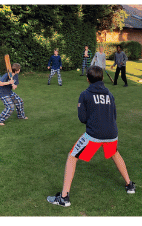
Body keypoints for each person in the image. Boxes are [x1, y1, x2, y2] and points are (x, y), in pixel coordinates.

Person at [47, 66, 135, 207]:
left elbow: (82, 118)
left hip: (95, 134)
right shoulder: (110, 94)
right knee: (115, 153)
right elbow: (114, 116)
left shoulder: (85, 94)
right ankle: (129, 185)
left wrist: (94, 121)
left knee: (72, 157)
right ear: (102, 78)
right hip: (112, 133)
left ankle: (64, 197)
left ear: (88, 79)